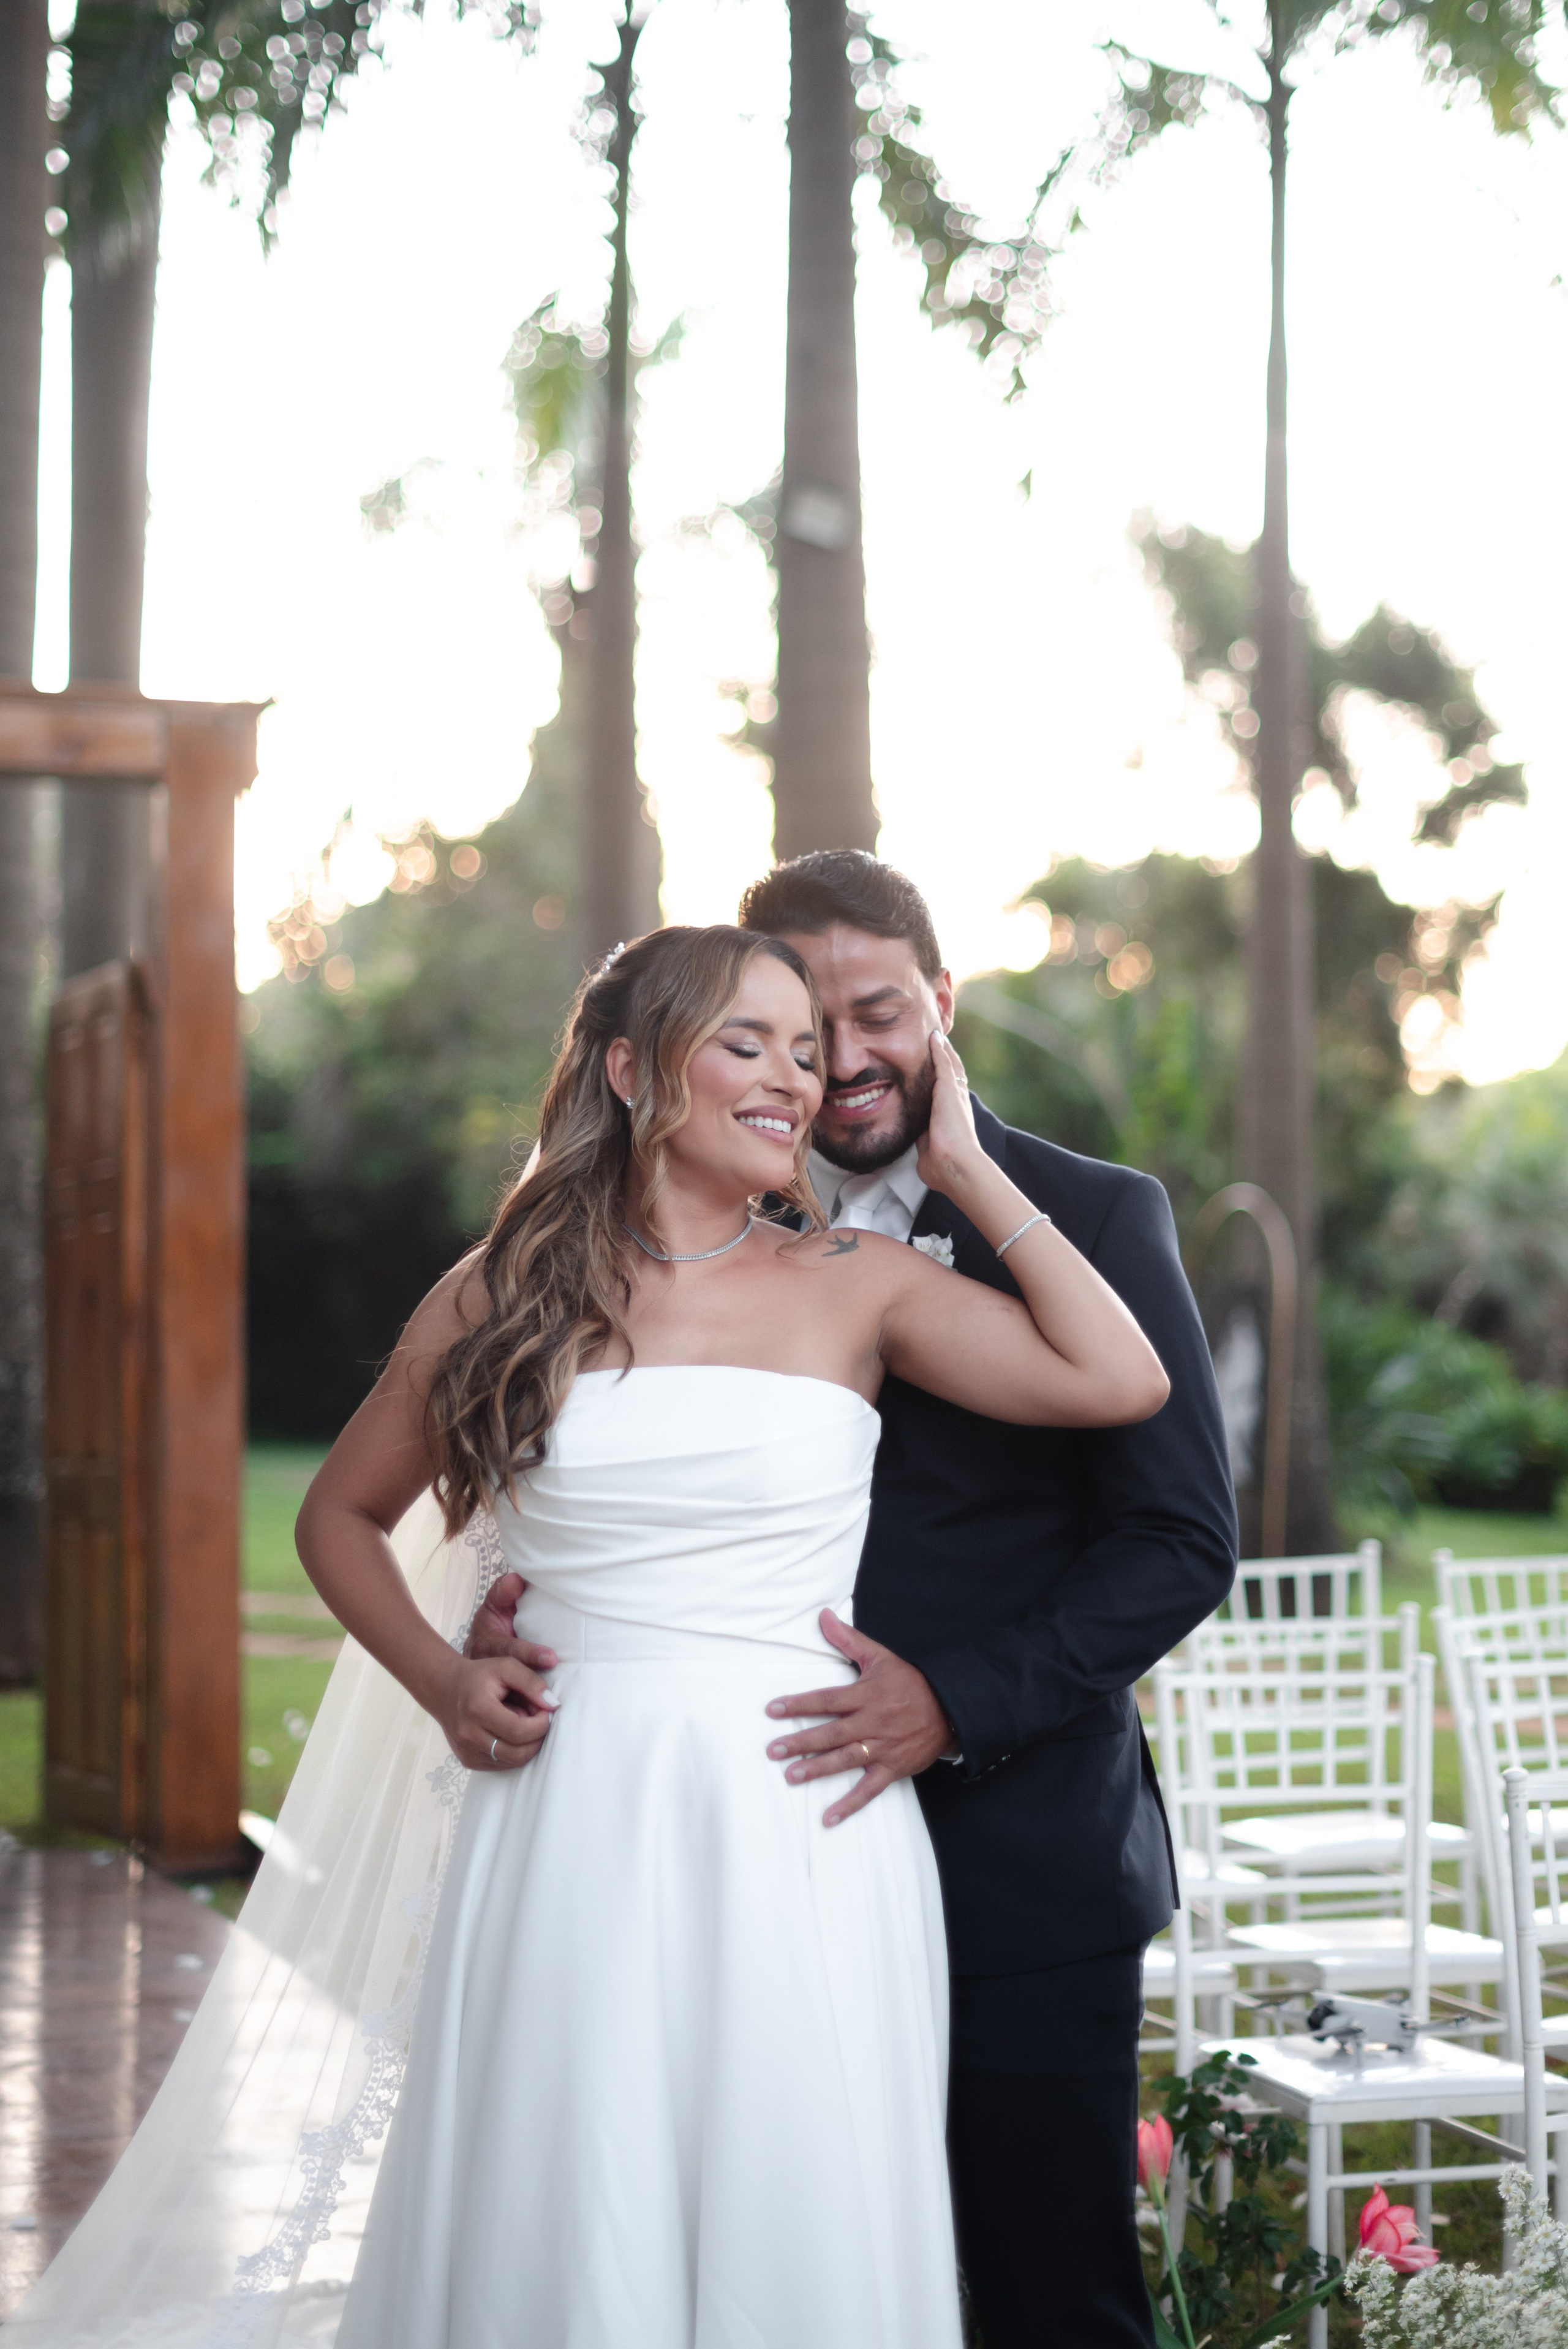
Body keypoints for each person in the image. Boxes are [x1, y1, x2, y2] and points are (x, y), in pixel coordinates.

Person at [296, 921, 1165, 2347]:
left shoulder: (855, 1287)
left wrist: (964, 1168)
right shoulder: (499, 1292)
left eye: (808, 1052)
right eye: (746, 1043)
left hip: (798, 1819)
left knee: (792, 2195)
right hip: (566, 1818)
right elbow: (338, 1516)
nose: (795, 1080)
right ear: (633, 1069)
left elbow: (1114, 1376)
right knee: (573, 2193)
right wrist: (447, 1675)